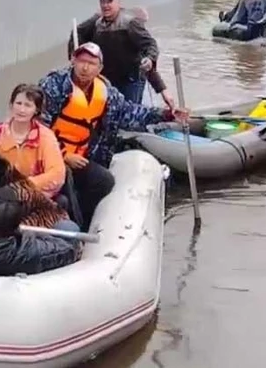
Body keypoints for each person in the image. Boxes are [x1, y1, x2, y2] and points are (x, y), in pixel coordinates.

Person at [39, 41, 190, 231]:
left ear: (100, 68)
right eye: (81, 61)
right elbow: (39, 126)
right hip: (51, 155)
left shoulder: (107, 93)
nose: (85, 68)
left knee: (104, 181)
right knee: (65, 180)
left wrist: (166, 114)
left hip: (85, 155)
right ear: (72, 61)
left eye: (91, 63)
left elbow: (130, 113)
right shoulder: (54, 86)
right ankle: (75, 228)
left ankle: (87, 221)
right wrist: (63, 156)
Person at [0, 84, 67, 220]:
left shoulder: (46, 137)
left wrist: (18, 190)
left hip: (34, 202)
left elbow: (57, 174)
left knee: (67, 223)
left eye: (28, 105)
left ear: (36, 110)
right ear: (11, 105)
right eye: (18, 103)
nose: (21, 109)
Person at [69, 0, 174, 108]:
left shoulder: (130, 23)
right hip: (108, 78)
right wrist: (75, 56)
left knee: (131, 113)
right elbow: (77, 33)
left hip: (131, 80)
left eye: (109, 1)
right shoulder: (96, 23)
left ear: (118, 2)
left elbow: (150, 45)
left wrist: (162, 88)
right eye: (102, 2)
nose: (105, 5)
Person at [128, 6, 170, 105]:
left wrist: (162, 88)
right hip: (133, 81)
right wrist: (162, 89)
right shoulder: (134, 33)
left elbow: (148, 64)